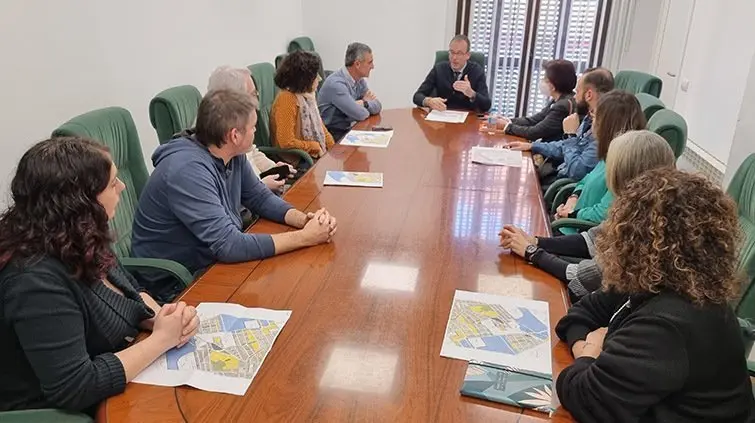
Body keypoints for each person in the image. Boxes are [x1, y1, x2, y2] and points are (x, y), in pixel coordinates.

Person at [0, 137, 198, 414]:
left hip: (121, 380)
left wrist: (164, 318)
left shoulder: (77, 235)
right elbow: (75, 387)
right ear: (81, 202)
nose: (123, 187)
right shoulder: (34, 281)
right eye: (112, 183)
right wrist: (161, 340)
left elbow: (129, 292)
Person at [555, 168, 754, 422]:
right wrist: (587, 349)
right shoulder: (657, 281)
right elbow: (577, 316)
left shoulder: (669, 323)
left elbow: (587, 399)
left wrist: (589, 351)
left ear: (632, 237)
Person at [131, 90, 337, 302]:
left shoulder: (229, 152)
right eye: (253, 126)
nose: (256, 130)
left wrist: (305, 221)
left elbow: (260, 197)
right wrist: (305, 238)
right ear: (234, 135)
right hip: (175, 284)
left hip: (208, 262)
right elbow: (229, 246)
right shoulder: (186, 171)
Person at [500, 130, 676, 301]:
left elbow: (579, 277)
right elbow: (592, 238)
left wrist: (531, 251)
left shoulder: (644, 231)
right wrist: (536, 241)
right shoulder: (643, 209)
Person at [553, 90, 646, 232]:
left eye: (594, 117)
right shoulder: (609, 152)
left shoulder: (626, 164)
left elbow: (605, 213)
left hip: (581, 235)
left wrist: (572, 214)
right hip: (570, 223)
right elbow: (585, 180)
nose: (592, 123)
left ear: (608, 124)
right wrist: (573, 198)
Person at [508, 67, 614, 186]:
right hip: (556, 175)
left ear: (589, 95)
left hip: (561, 186)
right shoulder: (589, 118)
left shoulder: (602, 128)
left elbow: (577, 172)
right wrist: (532, 146)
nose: (574, 96)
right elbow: (564, 147)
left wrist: (570, 135)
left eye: (578, 91)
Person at [206, 66, 295, 193]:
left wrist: (272, 167)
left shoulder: (239, 121)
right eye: (252, 94)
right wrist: (262, 185)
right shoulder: (217, 131)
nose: (256, 100)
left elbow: (252, 152)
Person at [271, 51, 335, 165]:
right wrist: (314, 146)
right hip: (296, 159)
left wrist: (333, 149)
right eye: (315, 76)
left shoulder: (307, 96)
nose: (319, 79)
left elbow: (321, 128)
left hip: (309, 153)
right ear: (303, 79)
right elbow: (286, 142)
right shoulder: (287, 99)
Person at [496, 60, 576, 142]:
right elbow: (534, 120)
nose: (542, 81)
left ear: (553, 85)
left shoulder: (562, 106)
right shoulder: (559, 100)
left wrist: (507, 126)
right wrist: (507, 120)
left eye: (545, 79)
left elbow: (534, 132)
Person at [318, 42, 382, 141]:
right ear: (357, 64)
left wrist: (364, 103)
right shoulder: (336, 85)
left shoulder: (359, 80)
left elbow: (378, 106)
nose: (373, 66)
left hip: (350, 130)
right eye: (370, 62)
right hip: (333, 137)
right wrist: (363, 105)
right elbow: (361, 114)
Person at [413, 34, 492, 113]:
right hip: (441, 117)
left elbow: (486, 105)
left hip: (467, 120)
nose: (454, 57)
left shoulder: (477, 71)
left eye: (459, 53)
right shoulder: (439, 69)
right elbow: (417, 96)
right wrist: (429, 101)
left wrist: (472, 94)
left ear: (467, 55)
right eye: (452, 52)